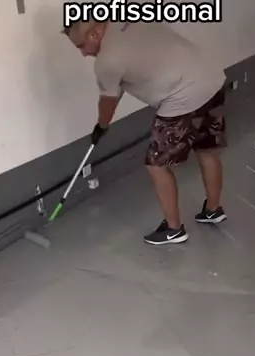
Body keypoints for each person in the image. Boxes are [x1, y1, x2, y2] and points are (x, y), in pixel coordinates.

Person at [63, 20, 228, 245]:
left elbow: (108, 101)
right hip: (211, 79)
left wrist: (101, 126)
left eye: (81, 46)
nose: (83, 54)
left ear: (93, 35)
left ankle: (173, 230)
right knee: (206, 148)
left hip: (182, 95)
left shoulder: (106, 61)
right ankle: (213, 210)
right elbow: (122, 79)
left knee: (157, 164)